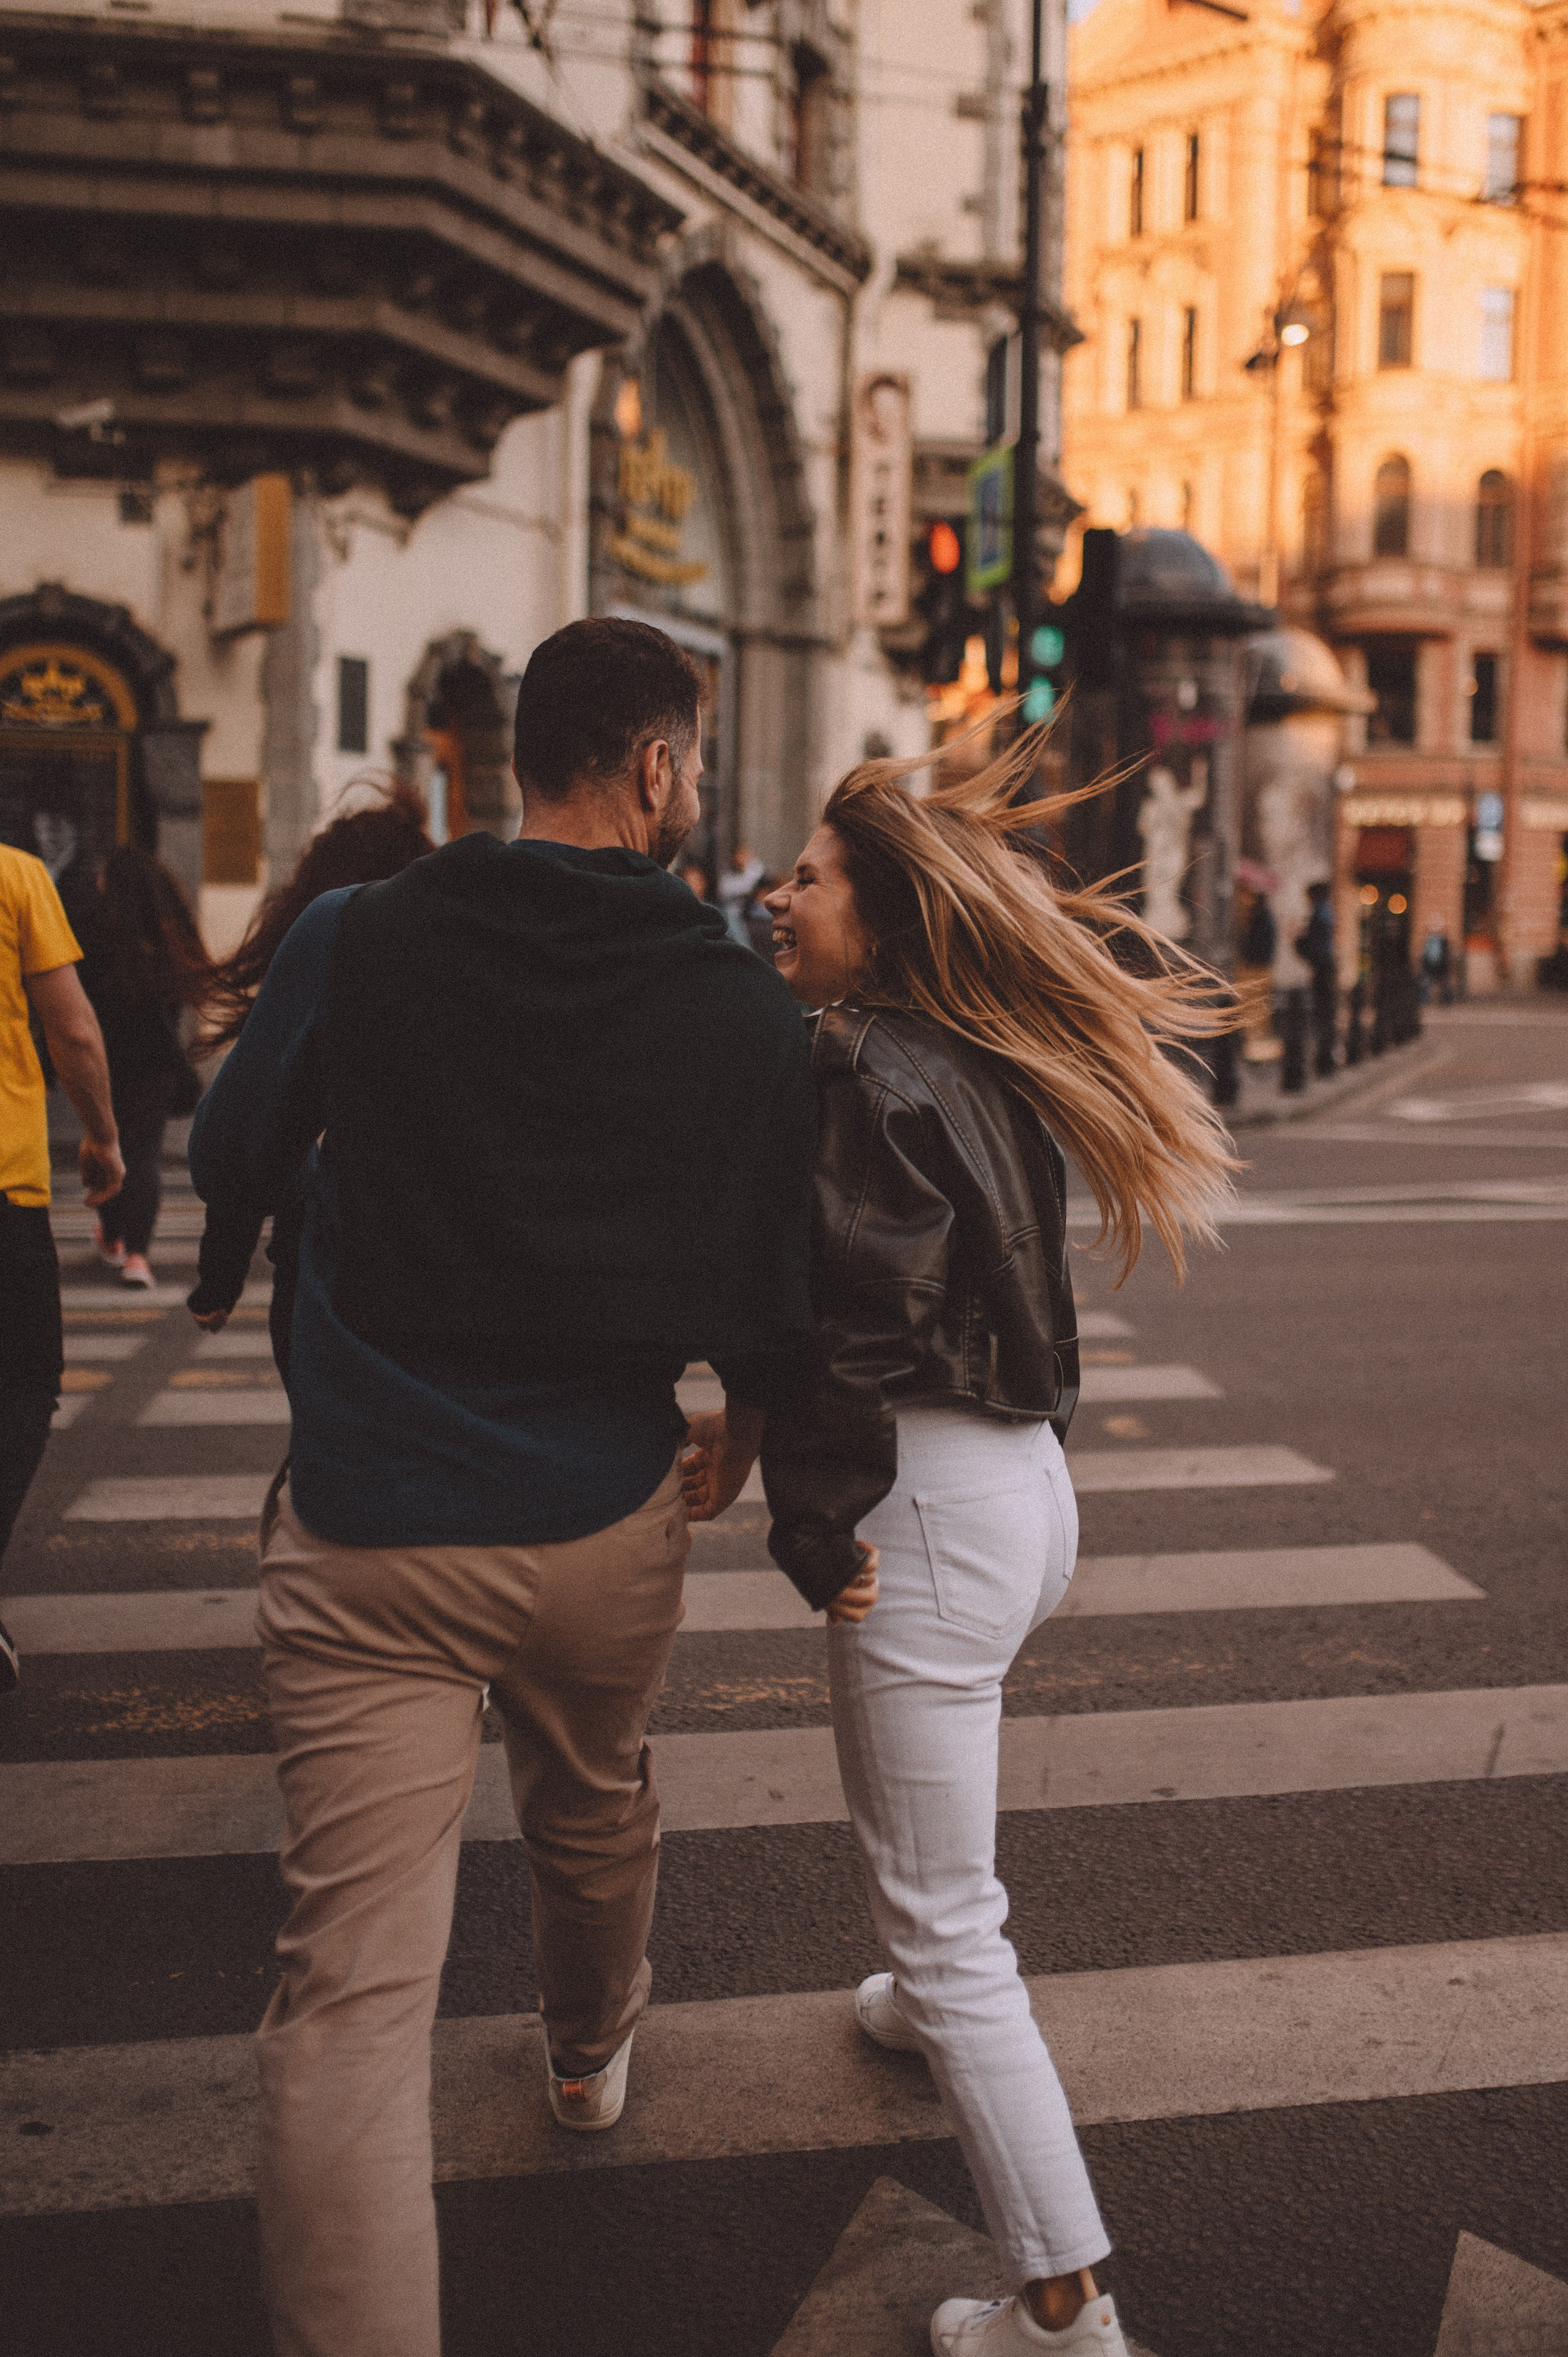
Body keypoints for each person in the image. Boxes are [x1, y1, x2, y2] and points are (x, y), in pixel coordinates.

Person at [187, 616, 816, 2357]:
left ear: (517, 755)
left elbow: (235, 1147)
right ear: (657, 768)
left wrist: (264, 1241)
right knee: (592, 1798)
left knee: (346, 2012)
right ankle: (586, 2045)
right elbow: (773, 1279)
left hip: (373, 1521)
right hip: (604, 1512)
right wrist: (743, 1435)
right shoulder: (740, 1012)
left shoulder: (360, 934)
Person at [685, 730, 1235, 2357]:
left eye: (809, 875)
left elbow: (854, 1320)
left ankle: (1063, 2307)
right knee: (942, 1905)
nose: (776, 895)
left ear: (888, 915)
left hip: (915, 1515)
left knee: (947, 1917)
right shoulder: (966, 1060)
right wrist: (755, 1435)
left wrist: (803, 1515)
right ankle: (923, 2019)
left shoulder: (850, 1065)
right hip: (1016, 1497)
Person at [187, 780, 435, 1378]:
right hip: (443, 1285)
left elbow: (242, 1128)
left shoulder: (322, 941)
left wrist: (219, 1273)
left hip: (323, 1280)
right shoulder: (449, 958)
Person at [1, 841, 124, 1691]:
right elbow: (73, 1029)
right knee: (24, 1379)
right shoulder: (15, 877)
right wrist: (104, 1137)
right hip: (2, 1190)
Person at [78, 844, 210, 1288]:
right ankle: (137, 1256)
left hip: (104, 1062)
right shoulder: (165, 941)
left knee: (104, 1143)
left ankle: (113, 1236)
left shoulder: (95, 938)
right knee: (143, 1155)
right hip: (156, 1063)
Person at [1294, 878, 1338, 1078]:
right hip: (1325, 966)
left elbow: (1313, 943)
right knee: (1325, 1014)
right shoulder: (1327, 911)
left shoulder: (1320, 913)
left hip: (1322, 967)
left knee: (1323, 1015)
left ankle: (1325, 1060)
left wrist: (1298, 940)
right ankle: (1325, 1059)